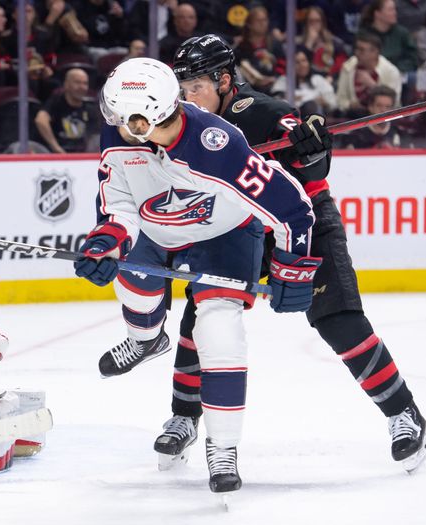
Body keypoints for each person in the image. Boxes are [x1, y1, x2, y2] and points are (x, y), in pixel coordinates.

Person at [162, 35, 426, 473]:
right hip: (239, 226)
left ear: (225, 80)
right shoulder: (186, 123)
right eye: (182, 88)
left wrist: (311, 147)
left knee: (338, 320)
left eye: (196, 87)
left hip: (302, 221)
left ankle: (404, 413)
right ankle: (185, 416)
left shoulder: (262, 111)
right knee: (203, 317)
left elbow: (312, 162)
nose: (187, 98)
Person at [74, 57, 319, 493]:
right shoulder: (119, 132)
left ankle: (223, 446)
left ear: (144, 117)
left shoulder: (217, 144)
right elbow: (120, 205)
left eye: (119, 115)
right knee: (133, 282)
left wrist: (291, 268)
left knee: (219, 330)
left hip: (223, 233)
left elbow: (293, 209)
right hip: (157, 228)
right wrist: (105, 241)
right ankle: (147, 339)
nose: (110, 122)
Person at [336, 32, 402, 118]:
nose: (357, 53)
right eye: (357, 48)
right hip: (353, 115)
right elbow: (340, 99)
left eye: (362, 50)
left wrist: (372, 85)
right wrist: (350, 105)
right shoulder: (348, 66)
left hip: (384, 117)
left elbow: (394, 103)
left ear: (375, 52)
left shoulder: (391, 71)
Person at [34, 67, 99, 153]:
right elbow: (40, 120)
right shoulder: (56, 102)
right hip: (57, 154)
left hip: (83, 156)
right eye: (77, 82)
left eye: (85, 83)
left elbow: (95, 136)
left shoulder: (90, 108)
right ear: (66, 84)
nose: (82, 87)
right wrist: (56, 148)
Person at [271, 47, 337, 116]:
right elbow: (275, 102)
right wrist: (287, 97)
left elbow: (333, 104)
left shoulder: (318, 80)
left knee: (311, 106)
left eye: (304, 61)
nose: (301, 65)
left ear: (308, 63)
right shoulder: (283, 81)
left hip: (315, 119)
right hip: (291, 120)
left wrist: (325, 103)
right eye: (297, 62)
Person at [336, 85, 403, 149]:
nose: (383, 110)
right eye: (379, 105)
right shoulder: (356, 135)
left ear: (392, 109)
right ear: (370, 107)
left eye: (387, 107)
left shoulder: (399, 131)